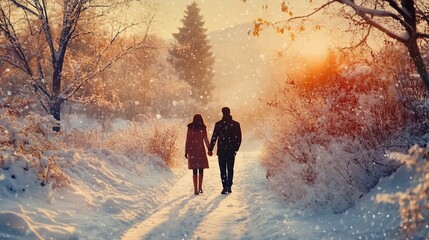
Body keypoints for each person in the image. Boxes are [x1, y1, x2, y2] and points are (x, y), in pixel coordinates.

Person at [208, 107, 242, 194]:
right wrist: (235, 149)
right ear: (229, 112)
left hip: (222, 150)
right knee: (230, 168)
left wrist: (210, 149)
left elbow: (214, 137)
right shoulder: (235, 124)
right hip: (231, 150)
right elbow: (239, 138)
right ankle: (229, 185)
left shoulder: (219, 124)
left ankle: (225, 186)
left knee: (222, 169)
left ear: (222, 113)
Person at [185, 114, 210, 195]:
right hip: (200, 150)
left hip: (192, 150)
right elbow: (205, 139)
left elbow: (188, 139)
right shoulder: (203, 127)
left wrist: (186, 151)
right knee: (201, 169)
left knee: (194, 170)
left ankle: (195, 189)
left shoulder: (190, 127)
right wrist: (209, 149)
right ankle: (200, 188)